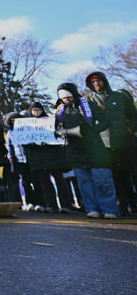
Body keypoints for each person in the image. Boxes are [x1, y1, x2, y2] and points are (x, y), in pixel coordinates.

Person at [55, 83, 118, 218]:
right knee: (84, 183)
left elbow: (105, 121)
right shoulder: (60, 111)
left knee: (101, 180)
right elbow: (56, 128)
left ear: (74, 94)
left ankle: (109, 209)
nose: (66, 100)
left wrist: (92, 131)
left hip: (94, 149)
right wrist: (61, 133)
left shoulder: (88, 105)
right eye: (63, 98)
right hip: (75, 151)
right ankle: (92, 208)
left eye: (68, 97)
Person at [85, 72, 137, 215]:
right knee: (114, 177)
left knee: (133, 173)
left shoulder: (121, 97)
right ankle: (122, 205)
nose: (96, 84)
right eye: (93, 82)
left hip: (126, 142)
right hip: (104, 146)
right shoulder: (87, 101)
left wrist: (129, 130)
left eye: (99, 81)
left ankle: (134, 203)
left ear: (105, 81)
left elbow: (134, 117)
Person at [21, 102, 73, 212]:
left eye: (38, 110)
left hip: (53, 156)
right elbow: (23, 141)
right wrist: (31, 143)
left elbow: (59, 136)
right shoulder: (27, 125)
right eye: (34, 110)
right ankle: (51, 205)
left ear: (42, 110)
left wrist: (48, 141)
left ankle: (66, 205)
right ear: (31, 111)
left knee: (60, 181)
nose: (36, 112)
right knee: (44, 183)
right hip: (38, 158)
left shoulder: (51, 121)